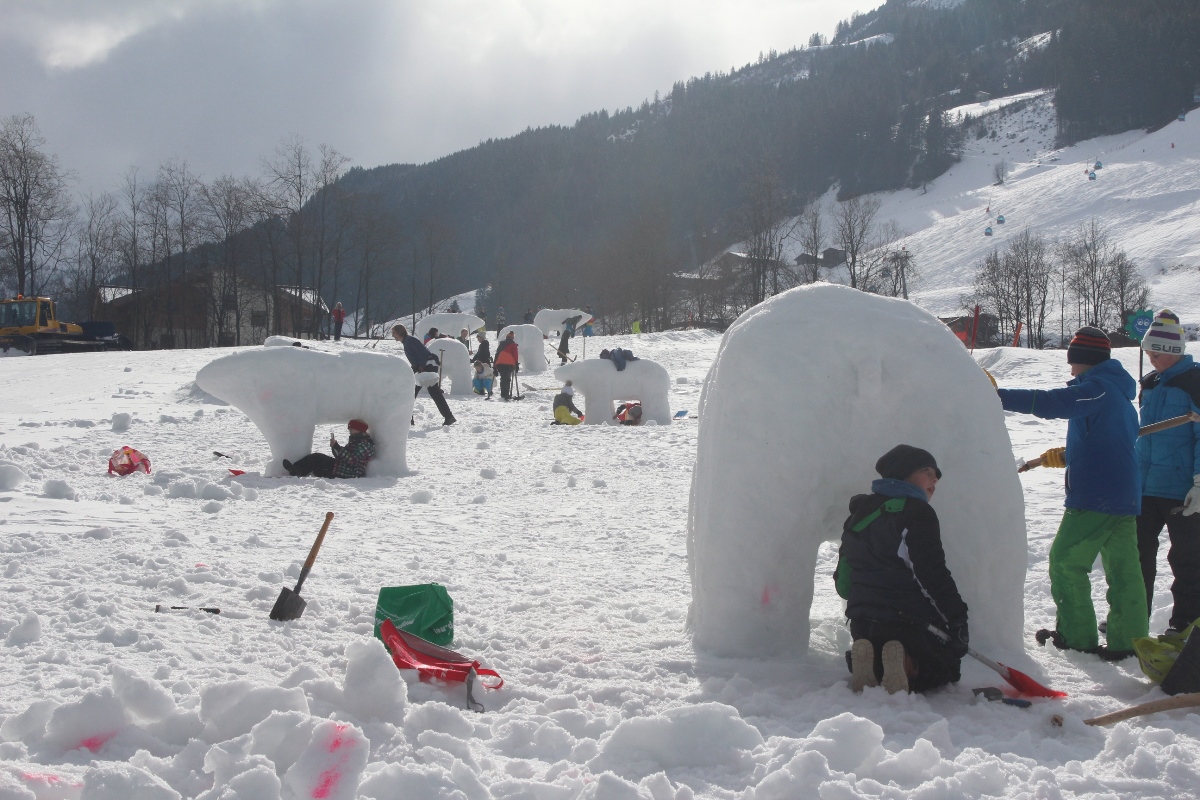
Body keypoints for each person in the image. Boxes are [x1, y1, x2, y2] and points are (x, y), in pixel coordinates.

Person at [997, 327, 1147, 658]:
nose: (1070, 369)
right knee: (1124, 570)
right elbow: (1108, 438)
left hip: (1097, 496)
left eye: (1073, 362)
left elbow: (1054, 403)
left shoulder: (1097, 388)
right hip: (1123, 494)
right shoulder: (1117, 392)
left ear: (1084, 360)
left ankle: (1077, 636)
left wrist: (997, 395)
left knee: (1065, 562)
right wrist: (1067, 454)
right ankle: (1131, 640)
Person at [834, 445, 968, 694]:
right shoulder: (918, 513)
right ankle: (909, 665)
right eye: (927, 470)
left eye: (936, 474)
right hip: (906, 622)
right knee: (949, 666)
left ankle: (867, 661)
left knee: (878, 642)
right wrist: (958, 620)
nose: (935, 478)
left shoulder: (861, 512)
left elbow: (844, 580)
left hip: (861, 621)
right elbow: (932, 574)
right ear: (903, 473)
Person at [1135, 309, 1200, 635]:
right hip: (1146, 486)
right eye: (1148, 352)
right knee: (1135, 556)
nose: (1151, 358)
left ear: (1174, 351)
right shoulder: (1151, 383)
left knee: (1187, 561)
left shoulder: (1195, 383)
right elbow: (1143, 434)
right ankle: (1132, 618)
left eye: (1156, 353)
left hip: (1183, 489)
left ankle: (1185, 625)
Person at [392, 324, 457, 426]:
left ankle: (408, 419)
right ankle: (448, 416)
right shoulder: (407, 341)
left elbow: (422, 353)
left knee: (411, 393)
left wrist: (421, 366)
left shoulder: (410, 341)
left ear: (399, 332)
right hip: (424, 367)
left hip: (427, 366)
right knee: (432, 393)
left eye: (394, 333)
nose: (393, 335)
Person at [283, 420, 375, 478]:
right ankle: (296, 469)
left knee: (317, 460)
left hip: (351, 472)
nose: (350, 432)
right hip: (343, 467)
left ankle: (296, 471)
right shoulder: (356, 441)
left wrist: (338, 447)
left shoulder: (365, 445)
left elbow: (352, 460)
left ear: (360, 430)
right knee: (317, 458)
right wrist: (334, 447)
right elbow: (342, 456)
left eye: (352, 430)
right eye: (350, 430)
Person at [494, 331, 519, 400]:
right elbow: (515, 355)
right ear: (513, 338)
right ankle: (506, 394)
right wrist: (516, 364)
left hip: (500, 363)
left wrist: (494, 366)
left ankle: (503, 394)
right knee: (507, 379)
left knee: (503, 378)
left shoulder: (501, 344)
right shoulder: (513, 345)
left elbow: (497, 355)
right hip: (509, 364)